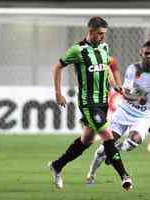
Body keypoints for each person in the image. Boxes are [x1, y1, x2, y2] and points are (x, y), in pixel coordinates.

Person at [48, 16, 132, 191]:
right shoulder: (77, 50)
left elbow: (106, 66)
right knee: (108, 136)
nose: (103, 37)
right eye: (100, 33)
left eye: (104, 34)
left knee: (87, 140)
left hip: (103, 101)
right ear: (91, 31)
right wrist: (58, 93)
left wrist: (115, 85)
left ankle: (57, 165)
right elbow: (57, 67)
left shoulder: (104, 47)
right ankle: (124, 176)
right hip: (88, 103)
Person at [86, 41, 150, 184]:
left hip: (143, 116)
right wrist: (138, 98)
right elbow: (125, 94)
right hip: (124, 111)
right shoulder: (132, 70)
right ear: (141, 53)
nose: (149, 56)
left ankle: (115, 150)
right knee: (103, 148)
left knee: (135, 140)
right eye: (146, 53)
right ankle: (91, 174)